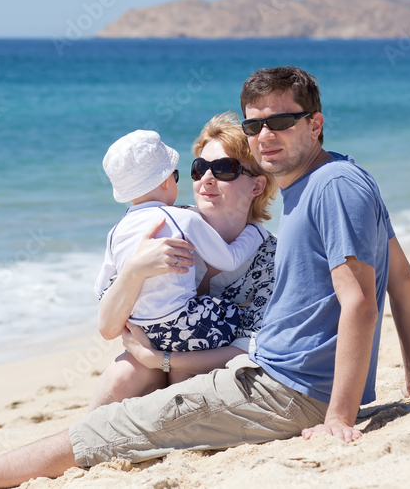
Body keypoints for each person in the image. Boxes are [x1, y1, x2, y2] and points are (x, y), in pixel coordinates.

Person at [0, 66, 410, 489]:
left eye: (282, 122)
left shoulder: (332, 186)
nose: (266, 135)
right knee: (128, 396)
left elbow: (361, 302)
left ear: (314, 123)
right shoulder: (331, 181)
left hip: (285, 389)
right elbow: (405, 280)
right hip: (278, 378)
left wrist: (340, 418)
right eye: (255, 125)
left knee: (124, 425)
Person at [90, 114, 277, 403]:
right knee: (125, 374)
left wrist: (162, 360)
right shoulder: (165, 226)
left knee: (189, 377)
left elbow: (249, 348)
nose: (207, 178)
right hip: (154, 358)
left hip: (218, 368)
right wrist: (134, 271)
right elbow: (108, 327)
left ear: (257, 186)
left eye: (225, 169)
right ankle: (91, 443)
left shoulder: (270, 258)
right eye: (199, 168)